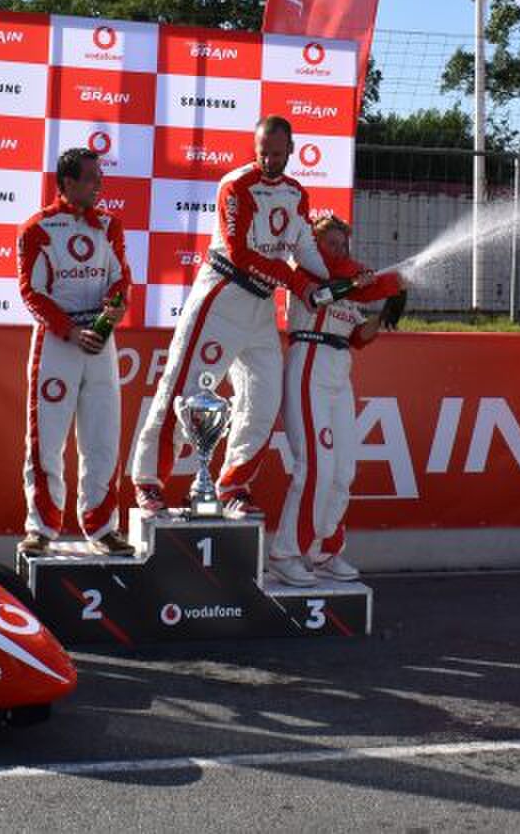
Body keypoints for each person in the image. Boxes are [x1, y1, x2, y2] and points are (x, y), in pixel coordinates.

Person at [127, 115, 366, 518]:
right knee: (184, 390)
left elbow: (305, 246)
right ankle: (149, 482)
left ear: (292, 150)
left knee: (264, 399)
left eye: (277, 153)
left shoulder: (295, 193)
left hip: (259, 308)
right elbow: (240, 253)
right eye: (263, 152)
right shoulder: (235, 185)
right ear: (254, 149)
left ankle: (232, 484)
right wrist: (299, 284)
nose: (270, 160)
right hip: (222, 295)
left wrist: (348, 276)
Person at [266, 212, 404, 587]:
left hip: (339, 369)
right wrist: (366, 283)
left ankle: (324, 551)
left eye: (344, 244)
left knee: (344, 471)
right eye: (332, 243)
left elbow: (359, 337)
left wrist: (385, 310)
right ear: (314, 245)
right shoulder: (309, 273)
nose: (340, 250)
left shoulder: (351, 284)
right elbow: (323, 297)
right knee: (316, 466)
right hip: (309, 362)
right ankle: (285, 554)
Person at [16, 146, 134, 557]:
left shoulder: (109, 225)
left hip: (100, 340)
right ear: (66, 182)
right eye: (90, 178)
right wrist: (68, 330)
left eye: (100, 177)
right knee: (46, 437)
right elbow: (31, 291)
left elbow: (121, 278)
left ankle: (102, 527)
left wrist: (117, 305)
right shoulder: (37, 228)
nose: (99, 185)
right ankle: (42, 526)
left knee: (103, 436)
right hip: (58, 342)